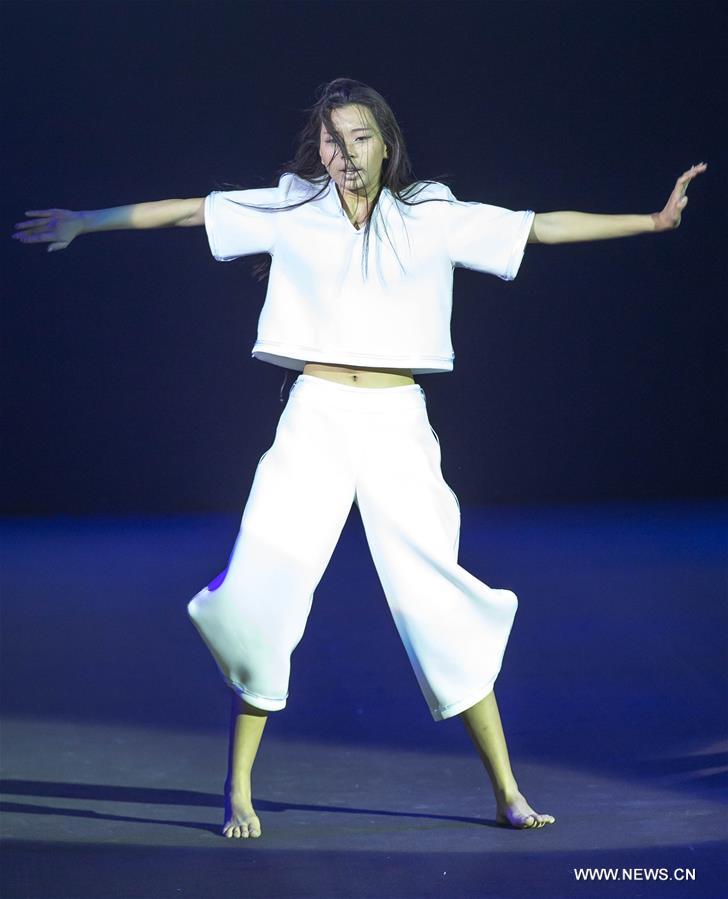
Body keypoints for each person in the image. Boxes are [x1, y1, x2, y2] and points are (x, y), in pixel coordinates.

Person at [12, 78, 705, 841]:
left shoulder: (429, 215)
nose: (345, 153)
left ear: (385, 143)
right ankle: (238, 788)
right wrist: (86, 220)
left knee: (435, 597)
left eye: (360, 138)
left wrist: (650, 219)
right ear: (319, 147)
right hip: (314, 416)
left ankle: (507, 789)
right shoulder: (292, 208)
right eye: (332, 139)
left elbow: (535, 229)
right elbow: (187, 210)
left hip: (395, 422)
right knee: (262, 587)